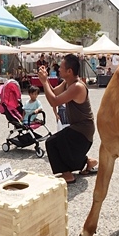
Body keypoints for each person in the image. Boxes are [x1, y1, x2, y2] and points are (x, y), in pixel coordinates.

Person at [39, 53, 97, 184]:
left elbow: (54, 101)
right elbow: (53, 92)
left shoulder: (77, 86)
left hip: (83, 130)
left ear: (69, 71)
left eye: (61, 67)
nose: (58, 69)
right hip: (78, 129)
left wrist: (43, 82)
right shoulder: (67, 83)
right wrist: (46, 79)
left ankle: (68, 175)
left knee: (52, 142)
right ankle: (88, 162)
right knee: (64, 146)